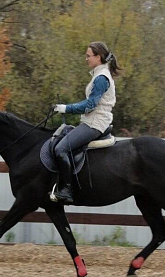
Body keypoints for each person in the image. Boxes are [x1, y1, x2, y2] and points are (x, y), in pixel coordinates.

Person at [52, 41, 122, 204]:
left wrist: (66, 108)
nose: (86, 59)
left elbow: (90, 104)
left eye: (88, 56)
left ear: (98, 57)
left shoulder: (101, 78)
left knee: (61, 148)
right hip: (92, 121)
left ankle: (66, 190)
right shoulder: (100, 75)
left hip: (95, 124)